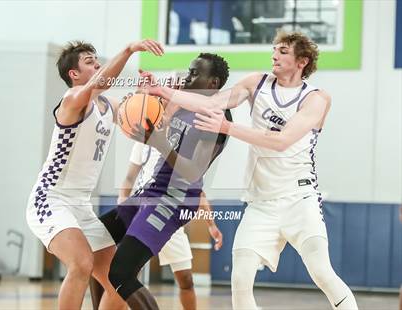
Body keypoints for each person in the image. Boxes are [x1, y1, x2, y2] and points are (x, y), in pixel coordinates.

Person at [144, 31, 358, 310]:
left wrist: (228, 128)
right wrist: (164, 91)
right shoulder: (256, 83)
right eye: (274, 49)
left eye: (283, 51)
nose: (274, 55)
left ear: (302, 61)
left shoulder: (316, 99)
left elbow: (281, 141)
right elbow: (212, 102)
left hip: (299, 198)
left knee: (322, 272)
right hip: (261, 203)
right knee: (240, 277)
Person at [25, 39, 163, 310]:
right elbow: (101, 83)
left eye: (97, 60)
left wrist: (149, 93)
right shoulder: (72, 100)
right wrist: (128, 50)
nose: (98, 64)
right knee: (81, 262)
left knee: (118, 279)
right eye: (90, 62)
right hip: (50, 199)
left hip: (81, 206)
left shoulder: (108, 106)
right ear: (73, 74)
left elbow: (136, 110)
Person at [99, 52, 231, 309]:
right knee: (96, 244)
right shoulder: (184, 104)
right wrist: (149, 91)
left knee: (121, 273)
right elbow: (153, 112)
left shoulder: (216, 117)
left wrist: (160, 144)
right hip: (151, 191)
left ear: (212, 83)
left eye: (194, 73)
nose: (187, 77)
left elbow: (193, 171)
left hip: (174, 199)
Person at [90, 140, 223, 310]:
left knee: (186, 280)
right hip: (142, 212)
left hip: (168, 212)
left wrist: (210, 224)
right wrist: (123, 202)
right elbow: (130, 177)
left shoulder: (182, 143)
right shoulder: (143, 144)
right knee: (123, 274)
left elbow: (198, 189)